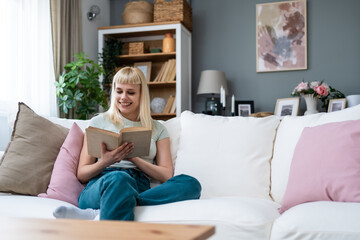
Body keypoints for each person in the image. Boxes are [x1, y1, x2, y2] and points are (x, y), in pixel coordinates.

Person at [53, 66, 201, 221]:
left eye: (130, 92)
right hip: (103, 183)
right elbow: (82, 174)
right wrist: (106, 162)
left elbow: (166, 175)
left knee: (191, 184)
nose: (123, 97)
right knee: (119, 178)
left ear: (141, 95)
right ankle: (115, 207)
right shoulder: (98, 122)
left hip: (138, 185)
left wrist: (134, 158)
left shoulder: (158, 129)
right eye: (119, 91)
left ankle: (98, 212)